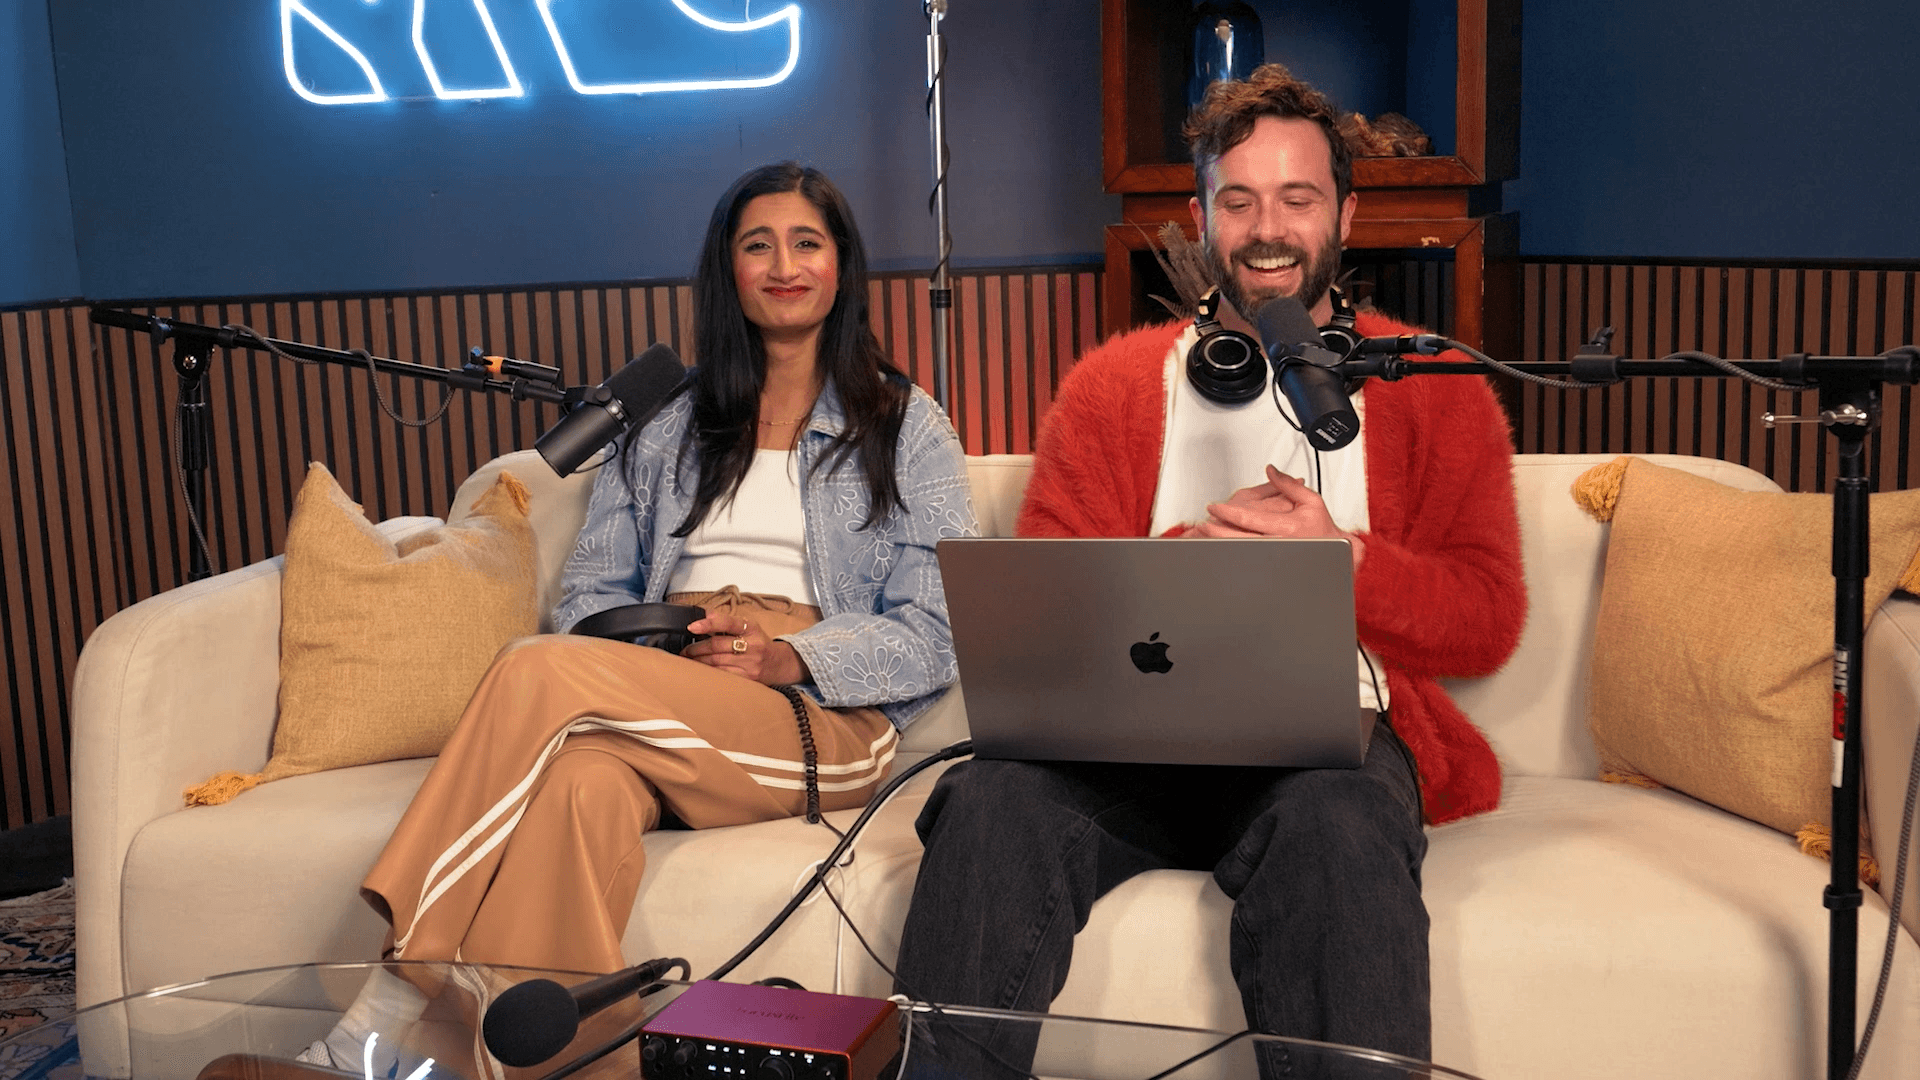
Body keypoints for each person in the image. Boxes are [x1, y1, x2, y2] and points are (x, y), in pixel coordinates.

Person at [891, 64, 1525, 1073]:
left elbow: (1487, 617)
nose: (1268, 227)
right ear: (1202, 217)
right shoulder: (1108, 389)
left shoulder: (1437, 387)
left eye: (1298, 198)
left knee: (1337, 829)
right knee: (989, 799)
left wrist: (1340, 561)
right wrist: (1200, 564)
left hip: (1328, 756)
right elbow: (1049, 604)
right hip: (1126, 757)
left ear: (1346, 216)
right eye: (1240, 200)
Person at [301, 161, 975, 1073]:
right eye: (757, 244)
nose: (783, 263)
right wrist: (652, 647)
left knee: (536, 667)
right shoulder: (666, 422)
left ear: (841, 267)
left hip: (819, 712)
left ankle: (392, 995)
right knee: (579, 788)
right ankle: (569, 1067)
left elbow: (934, 633)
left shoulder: (907, 425)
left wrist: (789, 655)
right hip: (664, 676)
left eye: (806, 243)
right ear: (726, 270)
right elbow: (589, 593)